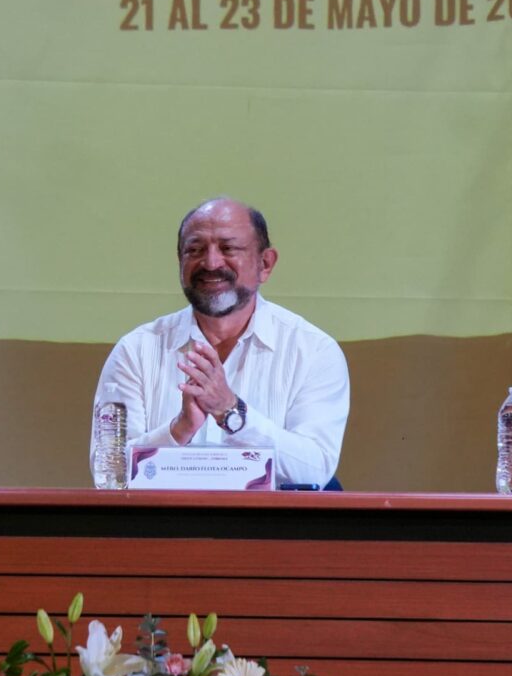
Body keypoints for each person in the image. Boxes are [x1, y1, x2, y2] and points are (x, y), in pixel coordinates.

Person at [92, 197, 349, 485]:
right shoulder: (136, 351)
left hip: (267, 516)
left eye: (228, 248)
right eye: (195, 250)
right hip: (164, 514)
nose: (211, 263)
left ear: (265, 264)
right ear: (180, 262)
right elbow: (110, 476)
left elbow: (315, 469)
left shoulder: (313, 351)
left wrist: (231, 412)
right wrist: (179, 430)